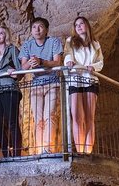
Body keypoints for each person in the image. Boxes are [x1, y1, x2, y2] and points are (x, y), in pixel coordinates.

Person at [19, 17, 63, 154]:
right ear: (31, 31)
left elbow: (57, 63)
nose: (37, 30)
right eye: (34, 27)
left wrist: (42, 61)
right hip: (36, 85)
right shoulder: (27, 45)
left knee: (49, 116)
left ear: (46, 30)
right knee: (38, 119)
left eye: (40, 27)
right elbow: (23, 67)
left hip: (52, 83)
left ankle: (48, 149)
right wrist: (31, 63)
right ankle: (39, 150)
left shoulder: (53, 42)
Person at [64, 16, 103, 154]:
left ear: (86, 25)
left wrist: (92, 66)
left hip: (90, 79)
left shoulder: (95, 44)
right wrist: (68, 62)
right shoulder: (70, 41)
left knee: (89, 117)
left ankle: (88, 151)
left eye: (81, 24)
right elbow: (67, 55)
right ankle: (80, 150)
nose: (79, 26)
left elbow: (100, 62)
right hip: (75, 78)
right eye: (76, 25)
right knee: (77, 116)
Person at [0, 26, 23, 157]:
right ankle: (6, 153)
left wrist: (15, 73)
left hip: (9, 89)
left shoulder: (12, 50)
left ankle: (17, 153)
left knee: (12, 121)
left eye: (2, 33)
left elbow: (20, 71)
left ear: (6, 36)